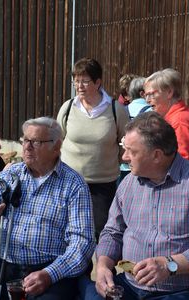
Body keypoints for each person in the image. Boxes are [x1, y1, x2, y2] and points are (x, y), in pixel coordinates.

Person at [87, 111, 189, 299]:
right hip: (129, 286)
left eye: (132, 151)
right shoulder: (128, 183)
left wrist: (169, 265)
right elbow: (112, 232)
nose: (124, 157)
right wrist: (103, 266)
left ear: (156, 155)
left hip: (184, 290)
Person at [0, 117, 95, 300]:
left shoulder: (74, 185)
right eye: (25, 140)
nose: (27, 147)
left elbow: (82, 244)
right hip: (7, 265)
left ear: (56, 146)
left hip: (50, 269)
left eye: (36, 142)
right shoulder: (11, 175)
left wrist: (49, 274)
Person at [56, 57, 128, 241]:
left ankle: (99, 268)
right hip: (69, 181)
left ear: (98, 82)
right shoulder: (68, 108)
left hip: (102, 185)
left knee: (101, 232)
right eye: (76, 81)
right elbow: (57, 141)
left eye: (85, 81)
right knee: (67, 230)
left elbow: (126, 143)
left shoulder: (115, 109)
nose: (79, 86)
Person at [144, 68, 189, 164]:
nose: (147, 100)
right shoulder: (174, 117)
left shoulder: (179, 121)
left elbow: (180, 162)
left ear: (169, 92)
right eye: (146, 95)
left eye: (151, 94)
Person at [118, 76, 152, 183]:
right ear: (143, 92)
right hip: (143, 166)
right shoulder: (152, 112)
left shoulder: (121, 110)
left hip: (122, 166)